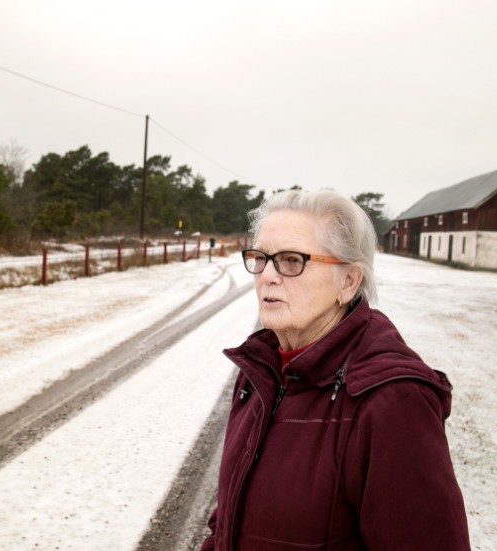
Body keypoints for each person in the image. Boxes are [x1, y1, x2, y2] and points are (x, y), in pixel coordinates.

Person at [201, 189, 470, 550]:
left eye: (291, 260)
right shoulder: (259, 371)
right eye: (260, 257)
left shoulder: (392, 402)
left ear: (348, 281)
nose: (267, 276)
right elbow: (228, 521)